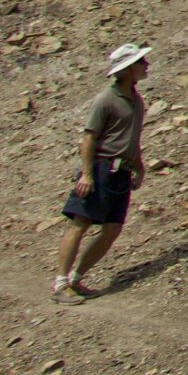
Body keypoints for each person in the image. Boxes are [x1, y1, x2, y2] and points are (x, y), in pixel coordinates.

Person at [51, 43, 149, 303]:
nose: (146, 65)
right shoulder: (106, 99)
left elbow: (130, 137)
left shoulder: (135, 99)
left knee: (112, 228)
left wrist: (138, 165)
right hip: (102, 168)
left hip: (121, 172)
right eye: (141, 62)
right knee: (80, 223)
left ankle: (76, 278)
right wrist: (86, 174)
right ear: (127, 69)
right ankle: (61, 283)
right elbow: (89, 138)